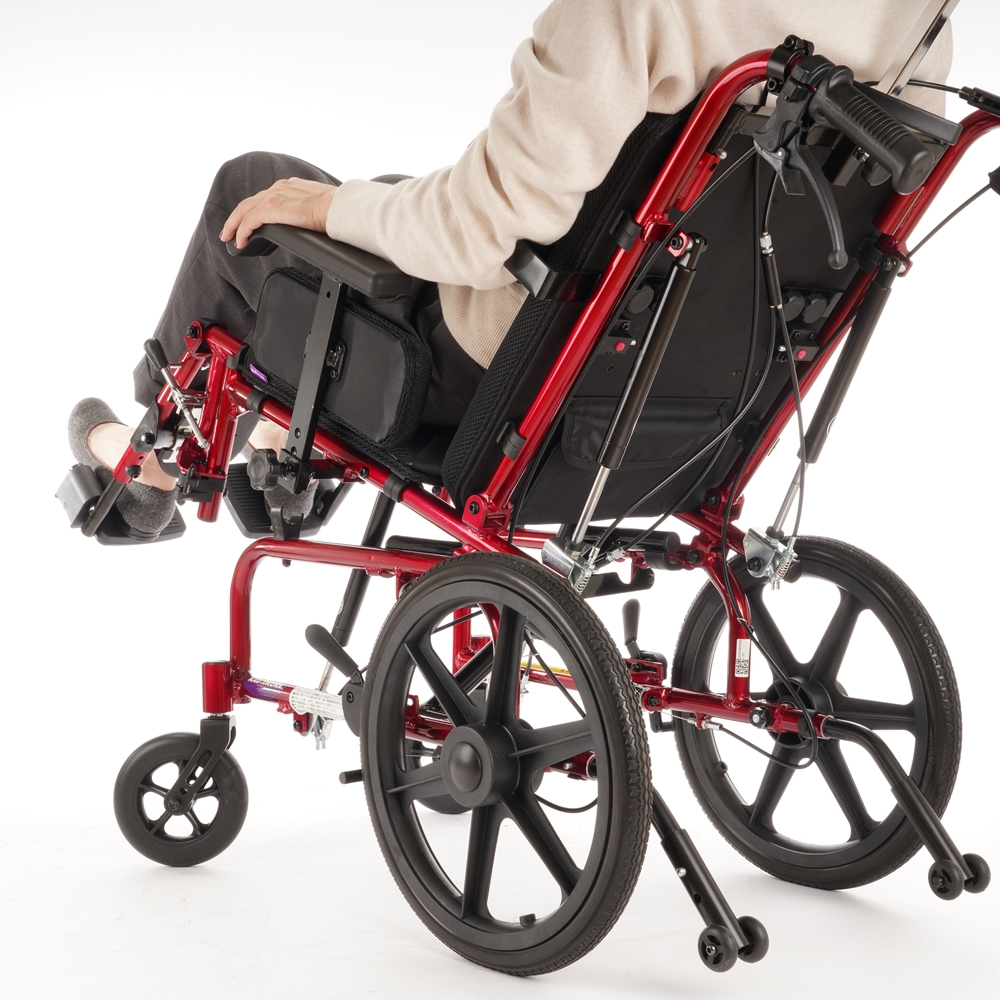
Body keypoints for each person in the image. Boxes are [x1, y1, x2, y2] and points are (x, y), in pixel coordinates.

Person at [68, 0, 952, 537]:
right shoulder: (920, 20)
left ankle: (152, 459)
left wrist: (327, 207)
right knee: (390, 196)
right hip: (710, 405)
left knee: (258, 187)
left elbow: (480, 229)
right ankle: (267, 443)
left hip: (499, 388)